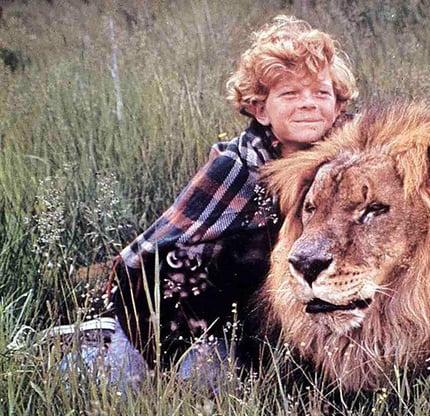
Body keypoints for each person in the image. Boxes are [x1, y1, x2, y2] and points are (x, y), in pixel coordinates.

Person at [106, 14, 358, 371]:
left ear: (338, 104)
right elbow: (149, 254)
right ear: (260, 110)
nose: (308, 103)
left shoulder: (355, 162)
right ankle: (96, 349)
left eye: (321, 92)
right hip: (199, 312)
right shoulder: (238, 167)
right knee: (161, 383)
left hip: (291, 310)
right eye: (290, 93)